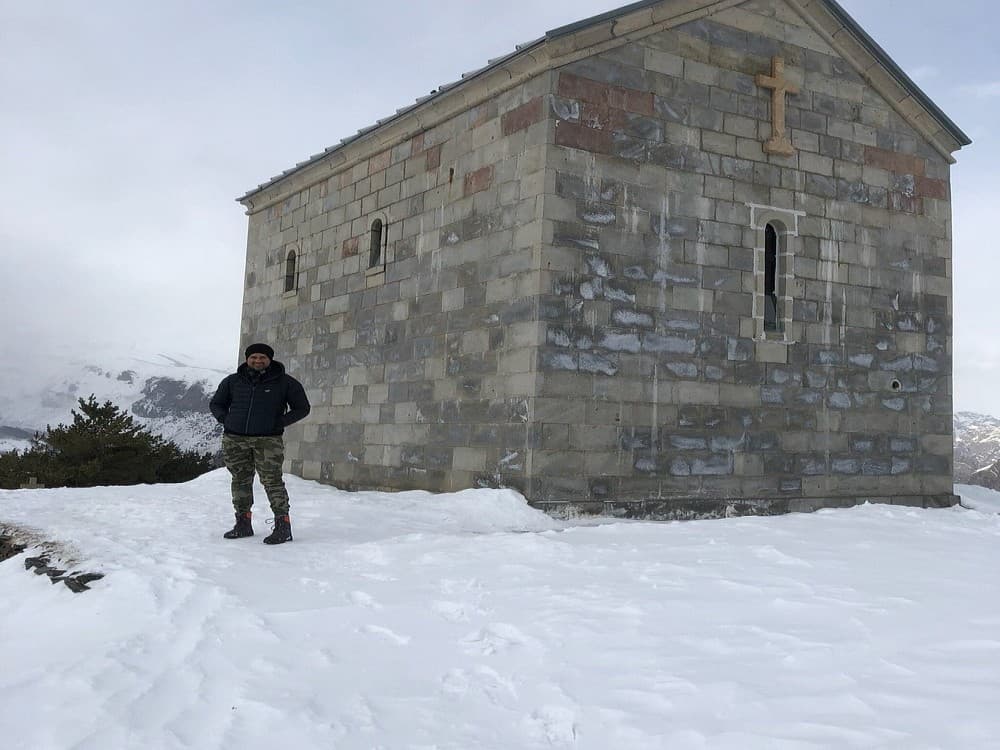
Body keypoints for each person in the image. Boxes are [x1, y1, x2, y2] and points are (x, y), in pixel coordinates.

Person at [210, 343, 310, 544]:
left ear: (270, 359)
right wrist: (225, 419)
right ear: (247, 359)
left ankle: (283, 527)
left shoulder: (285, 383)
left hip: (268, 441)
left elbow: (302, 408)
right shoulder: (232, 381)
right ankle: (243, 524)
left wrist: (278, 422)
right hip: (234, 439)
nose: (258, 360)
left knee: (272, 481)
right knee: (240, 480)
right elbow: (216, 403)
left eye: (262, 357)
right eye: (253, 357)